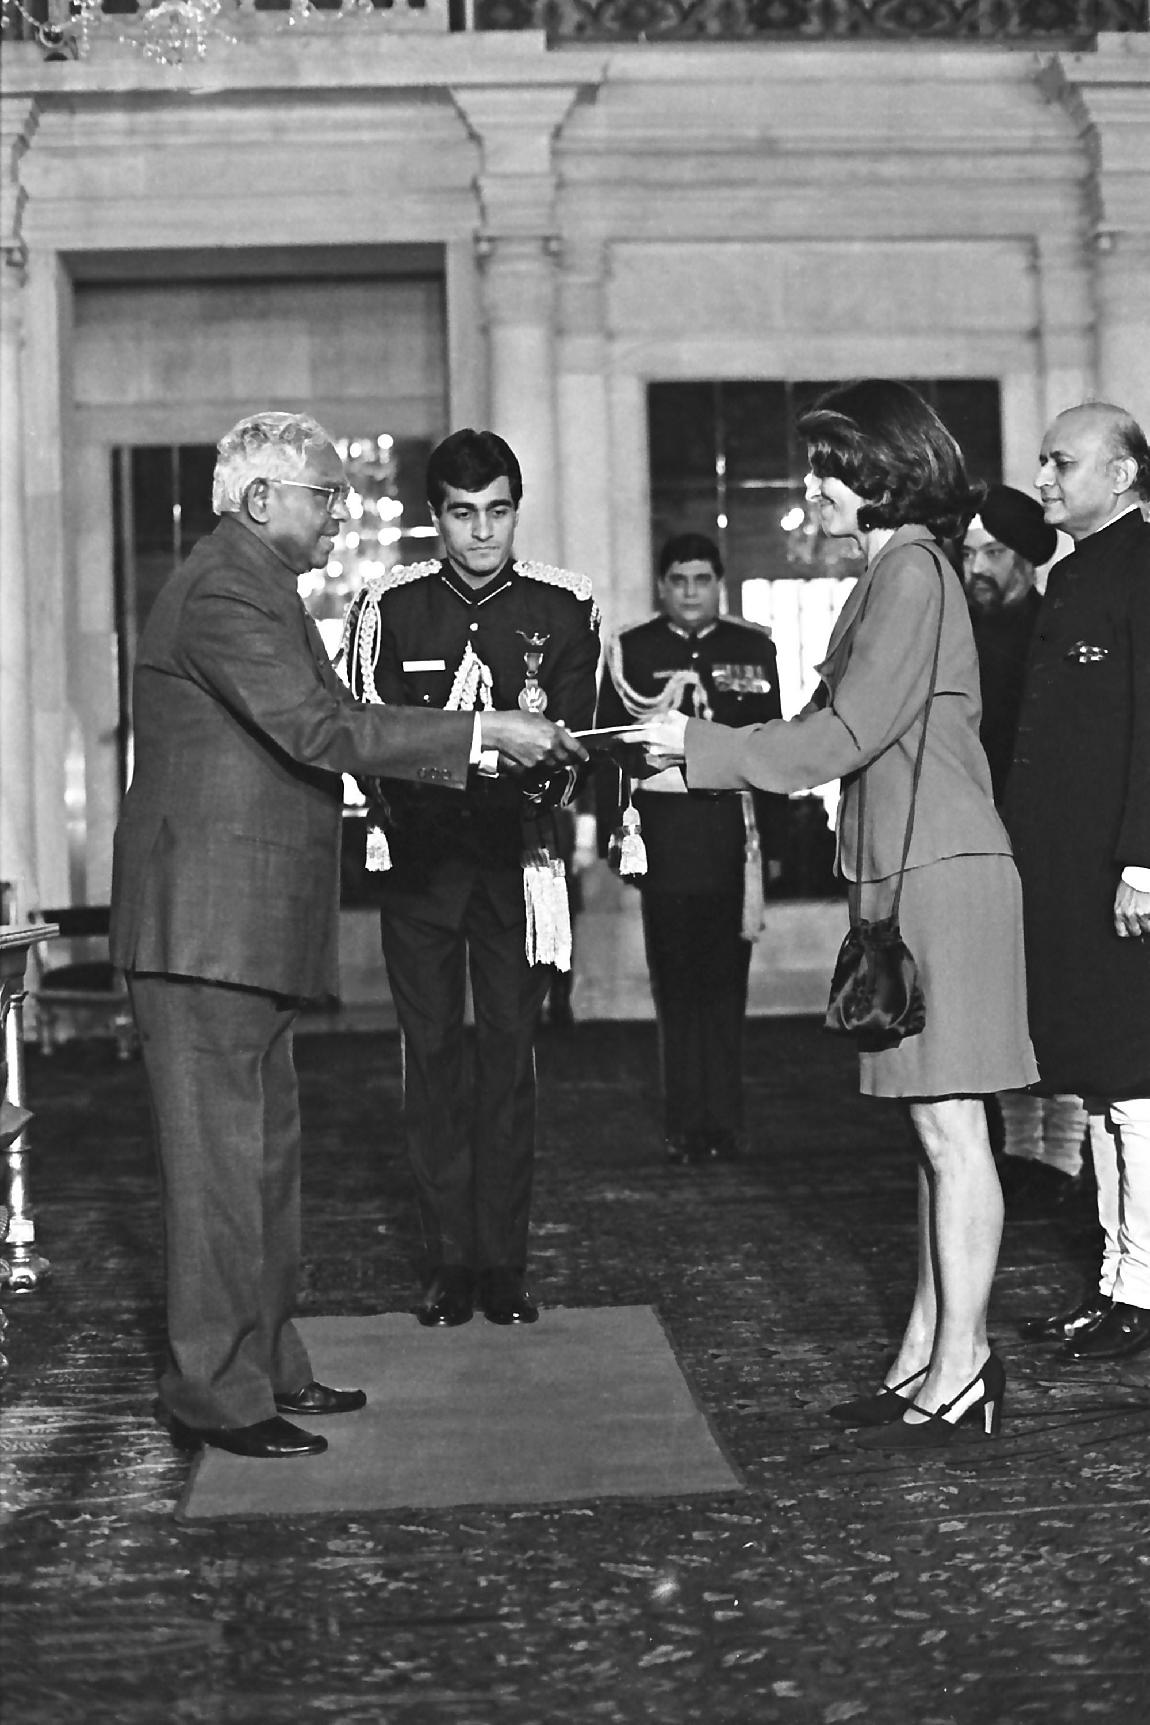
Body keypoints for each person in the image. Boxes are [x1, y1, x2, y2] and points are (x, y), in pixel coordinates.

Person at [110, 412, 584, 1461]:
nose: (341, 512)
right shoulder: (226, 591)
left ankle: (269, 1366)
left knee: (263, 1165)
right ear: (260, 498)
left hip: (242, 931)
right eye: (324, 495)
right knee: (219, 1176)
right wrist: (483, 731)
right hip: (204, 931)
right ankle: (215, 1393)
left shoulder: (263, 588)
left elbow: (331, 723)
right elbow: (322, 729)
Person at [636, 380, 1037, 1449]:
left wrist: (699, 749)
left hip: (942, 872)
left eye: (825, 469)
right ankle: (924, 1358)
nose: (809, 489)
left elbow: (844, 733)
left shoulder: (909, 571)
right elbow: (820, 723)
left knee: (953, 1135)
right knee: (933, 1137)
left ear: (880, 473)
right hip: (910, 872)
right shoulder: (893, 573)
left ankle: (965, 1367)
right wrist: (678, 758)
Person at [343, 430, 600, 1330]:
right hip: (421, 866)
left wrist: (494, 766)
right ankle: (448, 1261)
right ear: (435, 517)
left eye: (497, 511)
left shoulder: (563, 605)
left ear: (516, 510)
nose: (482, 531)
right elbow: (366, 736)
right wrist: (471, 760)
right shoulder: (390, 607)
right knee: (432, 1062)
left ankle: (503, 1264)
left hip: (515, 863)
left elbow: (572, 746)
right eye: (463, 513)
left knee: (508, 1061)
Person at [1006, 403, 1150, 1370]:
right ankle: (1112, 1280)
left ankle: (1141, 1289)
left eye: (1062, 462)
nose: (1044, 479)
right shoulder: (1072, 575)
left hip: (1123, 879)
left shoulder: (1143, 569)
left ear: (1123, 473)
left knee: (1135, 1082)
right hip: (1069, 875)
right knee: (1098, 1082)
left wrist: (1143, 863)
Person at [594, 532, 785, 1165]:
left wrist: (777, 844)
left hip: (732, 839)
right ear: (662, 585)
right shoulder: (633, 649)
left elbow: (774, 746)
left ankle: (723, 1124)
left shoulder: (752, 648)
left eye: (702, 580)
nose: (691, 592)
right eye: (679, 580)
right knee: (675, 992)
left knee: (727, 992)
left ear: (719, 583)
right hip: (665, 843)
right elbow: (608, 748)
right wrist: (615, 837)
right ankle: (684, 1124)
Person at [962, 488, 1088, 1215]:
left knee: (1053, 995)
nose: (978, 568)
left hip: (1048, 842)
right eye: (970, 552)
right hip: (977, 840)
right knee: (996, 997)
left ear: (1026, 560)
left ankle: (1062, 1153)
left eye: (994, 553)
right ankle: (1018, 1146)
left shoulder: (1056, 629)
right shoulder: (956, 635)